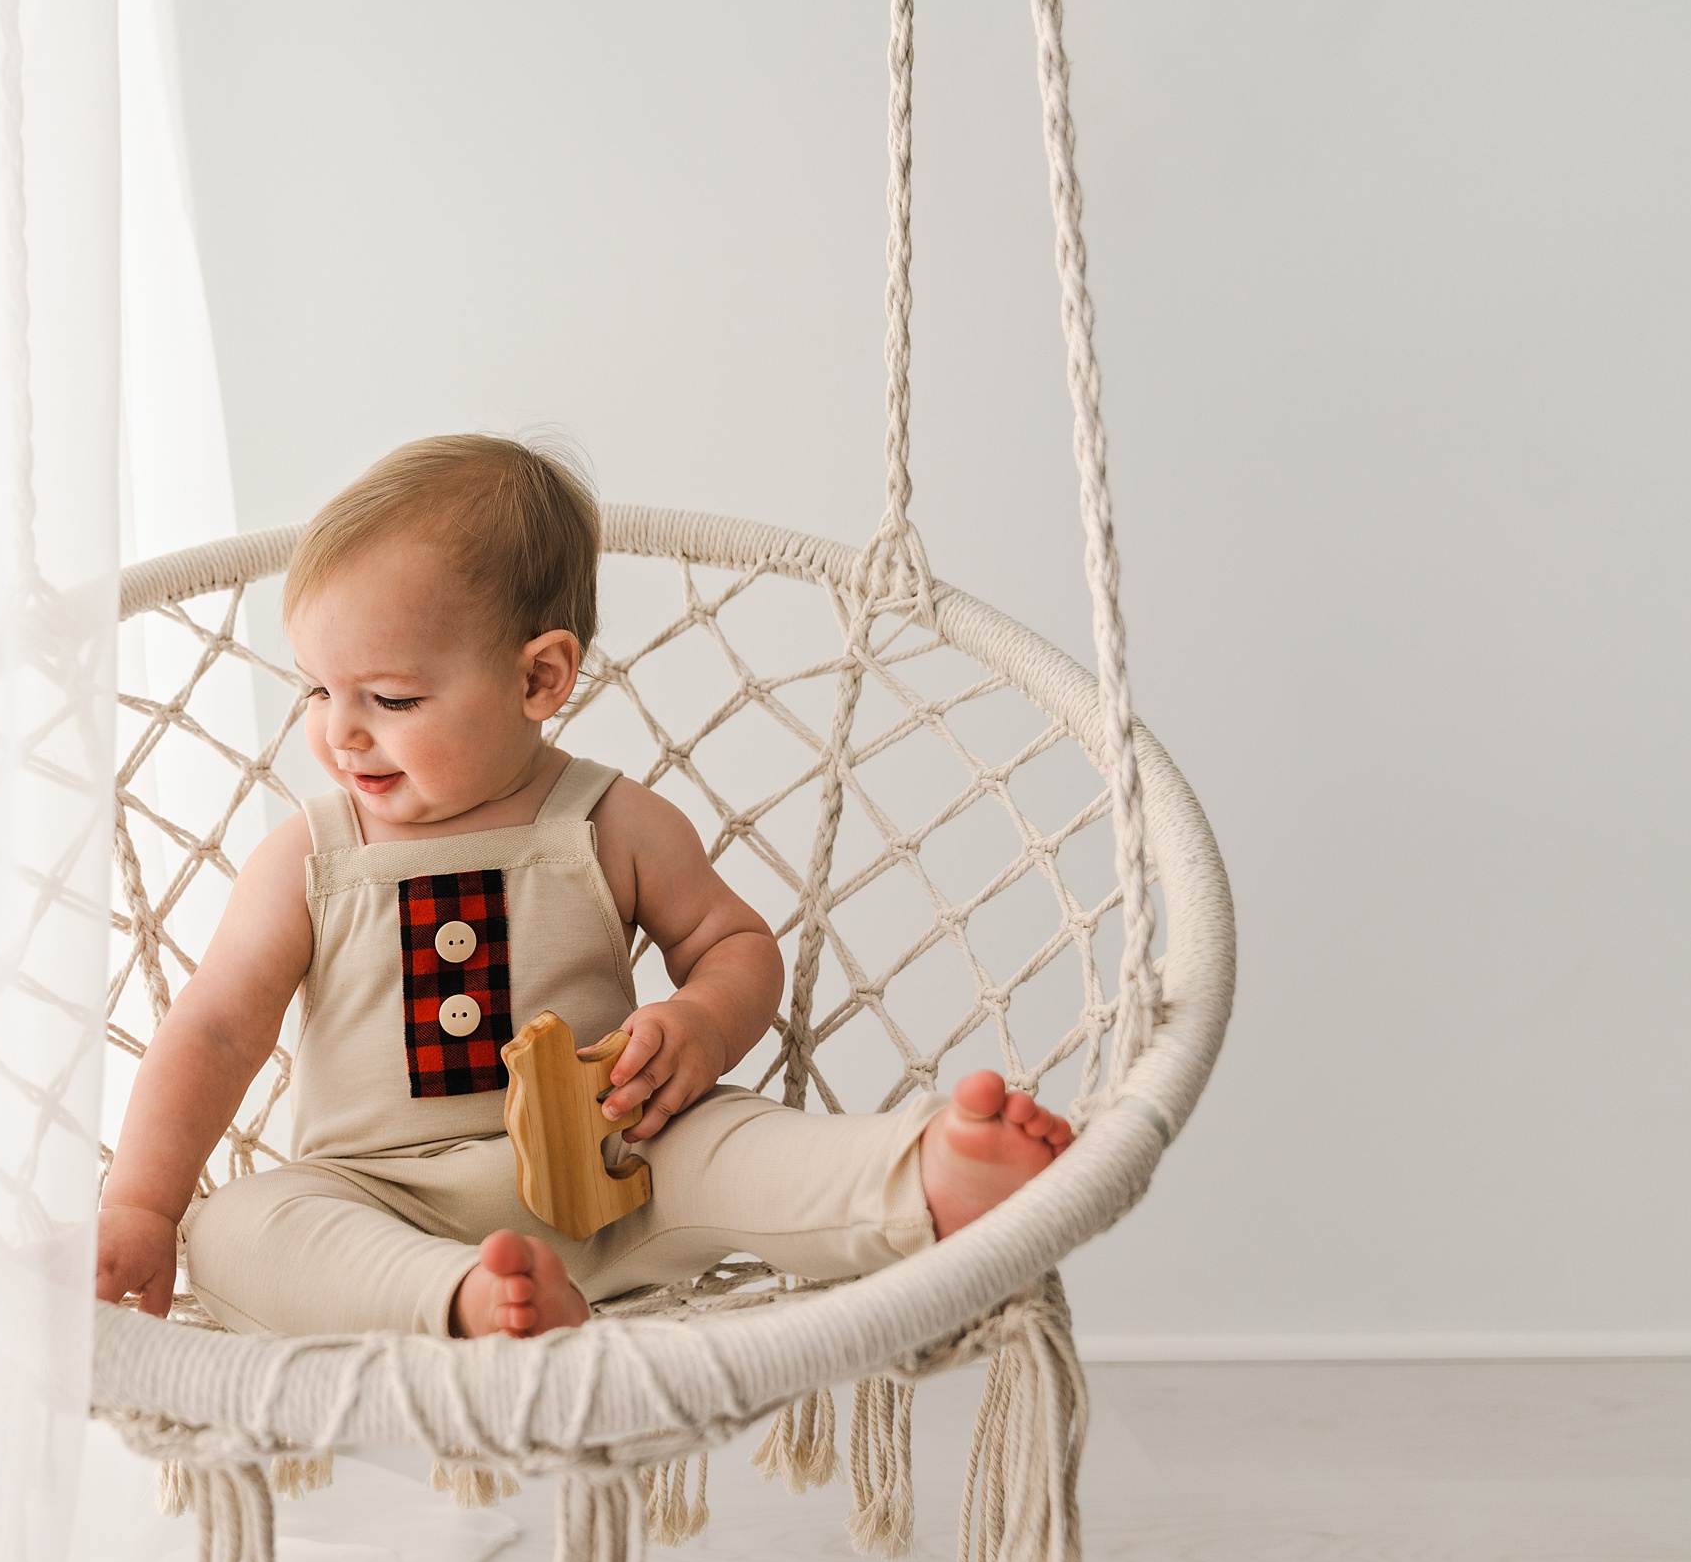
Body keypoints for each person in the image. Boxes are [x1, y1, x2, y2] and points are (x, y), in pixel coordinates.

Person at [94, 435, 1073, 1339]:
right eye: (316, 688)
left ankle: (921, 1173)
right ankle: (467, 1299)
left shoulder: (611, 822)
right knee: (239, 1227)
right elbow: (217, 1028)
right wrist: (142, 1202)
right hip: (379, 1195)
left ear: (538, 679)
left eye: (389, 698)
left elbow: (733, 946)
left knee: (739, 1140)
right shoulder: (307, 855)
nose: (338, 731)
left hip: (620, 1165)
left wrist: (698, 1024)